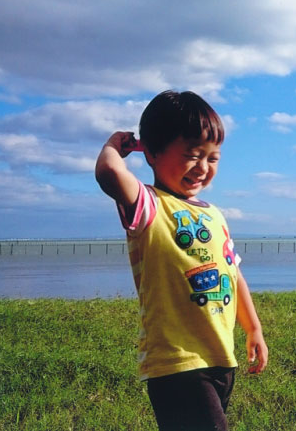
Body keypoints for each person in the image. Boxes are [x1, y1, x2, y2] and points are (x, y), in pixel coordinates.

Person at [95, 90, 268, 431]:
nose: (203, 168)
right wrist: (117, 145)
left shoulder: (215, 215)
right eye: (192, 155)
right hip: (176, 363)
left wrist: (253, 328)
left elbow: (233, 275)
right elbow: (109, 173)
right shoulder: (149, 205)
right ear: (154, 153)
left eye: (213, 158)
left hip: (220, 357)